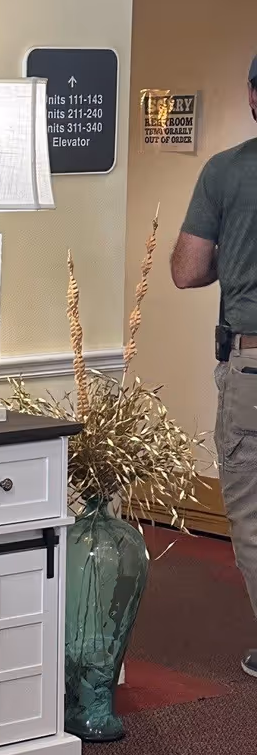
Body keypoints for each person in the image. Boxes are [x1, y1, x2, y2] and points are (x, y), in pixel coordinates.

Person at [171, 52, 257, 674]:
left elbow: (186, 270)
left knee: (253, 515)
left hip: (252, 366)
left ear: (253, 96)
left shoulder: (227, 173)